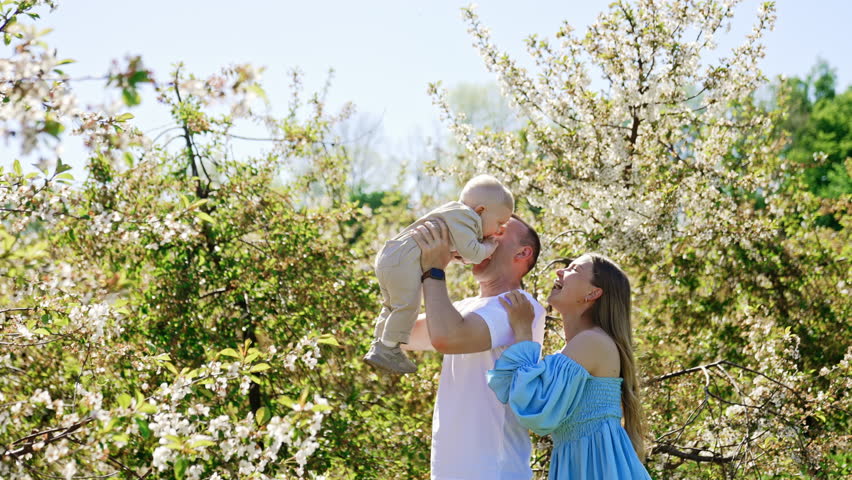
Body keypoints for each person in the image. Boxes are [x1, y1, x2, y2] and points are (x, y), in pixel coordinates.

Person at [404, 215, 546, 480]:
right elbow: (402, 335)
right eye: (482, 236)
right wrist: (409, 262)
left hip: (495, 471)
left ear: (523, 252)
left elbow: (448, 338)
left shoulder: (519, 306)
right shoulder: (465, 307)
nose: (483, 240)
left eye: (497, 234)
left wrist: (434, 270)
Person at [486, 254, 651, 479]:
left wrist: (524, 331)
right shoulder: (580, 345)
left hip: (596, 466)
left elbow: (536, 408)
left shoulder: (592, 342)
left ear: (593, 293)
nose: (559, 272)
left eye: (574, 269)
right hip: (583, 462)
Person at [364, 174, 514, 374]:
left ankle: (380, 344)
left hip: (391, 258)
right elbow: (473, 253)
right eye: (499, 223)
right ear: (480, 211)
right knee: (408, 305)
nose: (498, 231)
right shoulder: (467, 217)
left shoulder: (453, 214)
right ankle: (389, 349)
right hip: (403, 261)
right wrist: (488, 246)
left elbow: (456, 250)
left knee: (392, 306)